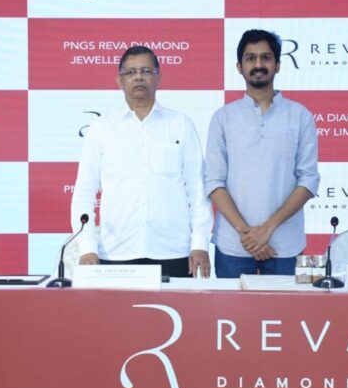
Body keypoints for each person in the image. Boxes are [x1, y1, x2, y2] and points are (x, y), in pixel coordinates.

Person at [70, 45, 212, 277]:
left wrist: (200, 243)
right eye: (131, 72)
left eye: (146, 71)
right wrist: (87, 247)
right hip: (115, 253)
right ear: (120, 81)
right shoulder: (101, 128)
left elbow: (197, 190)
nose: (138, 77)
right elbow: (84, 192)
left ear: (158, 78)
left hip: (174, 252)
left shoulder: (180, 124)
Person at [204, 29, 320, 278]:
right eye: (250, 58)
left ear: (277, 65)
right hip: (233, 245)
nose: (258, 65)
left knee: (284, 306)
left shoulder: (300, 116)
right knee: (230, 306)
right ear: (239, 67)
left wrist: (267, 229)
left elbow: (308, 180)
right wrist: (248, 234)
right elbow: (214, 182)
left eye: (265, 58)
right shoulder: (223, 118)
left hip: (284, 245)